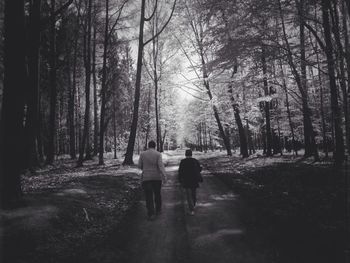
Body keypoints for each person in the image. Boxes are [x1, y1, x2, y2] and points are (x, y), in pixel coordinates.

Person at [138, 140, 167, 220]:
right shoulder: (158, 154)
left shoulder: (142, 154)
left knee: (148, 195)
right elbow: (161, 166)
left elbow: (139, 166)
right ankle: (158, 210)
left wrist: (145, 168)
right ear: (155, 146)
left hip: (146, 178)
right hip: (157, 177)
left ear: (148, 146)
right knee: (157, 194)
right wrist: (164, 176)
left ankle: (151, 214)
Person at [178, 149, 203, 215]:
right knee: (193, 193)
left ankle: (191, 210)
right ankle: (194, 205)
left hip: (186, 180)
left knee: (188, 195)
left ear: (185, 154)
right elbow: (199, 169)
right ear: (191, 154)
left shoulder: (183, 161)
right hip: (194, 180)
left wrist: (180, 180)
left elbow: (180, 171)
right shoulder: (195, 161)